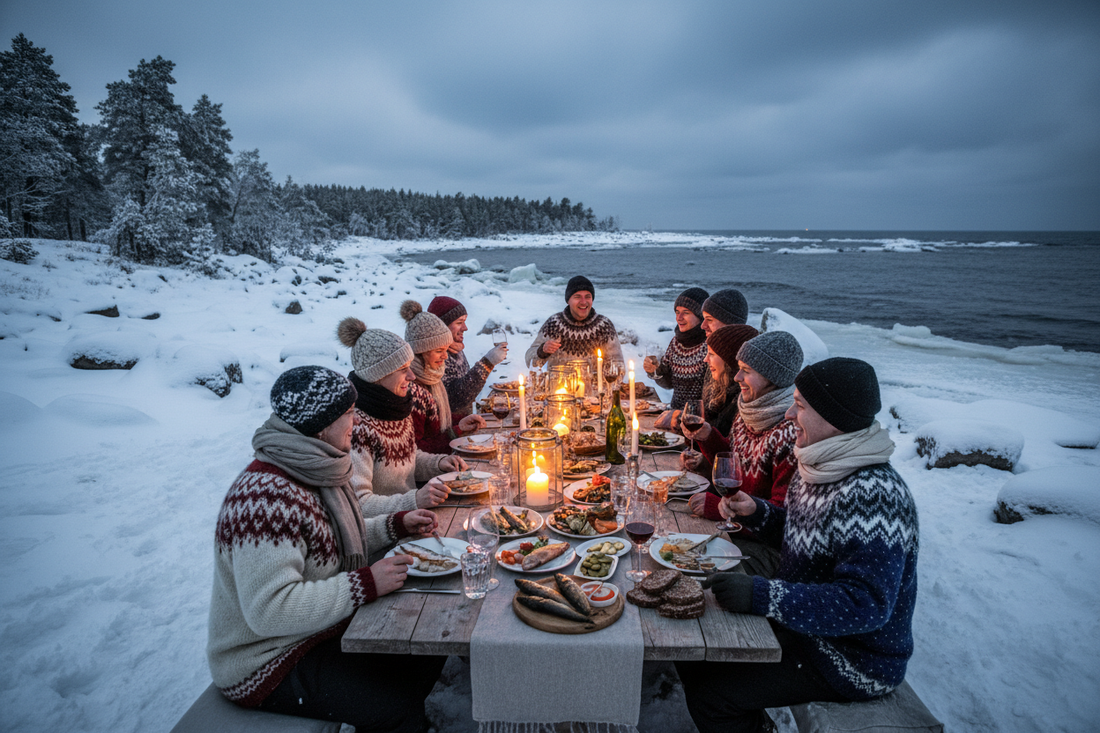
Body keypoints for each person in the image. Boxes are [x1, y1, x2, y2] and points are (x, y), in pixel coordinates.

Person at [675, 357, 919, 733]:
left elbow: (865, 604)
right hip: (806, 627)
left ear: (833, 418)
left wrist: (762, 596)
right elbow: (808, 537)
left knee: (712, 694)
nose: (789, 414)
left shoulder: (874, 495)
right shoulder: (825, 465)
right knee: (690, 644)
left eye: (800, 405)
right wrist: (758, 513)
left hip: (850, 657)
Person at [207, 365, 446, 731]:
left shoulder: (318, 466)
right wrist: (364, 583)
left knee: (427, 646)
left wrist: (394, 523)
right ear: (321, 426)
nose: (356, 422)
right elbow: (270, 608)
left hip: (316, 631)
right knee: (394, 705)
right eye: (349, 414)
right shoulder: (266, 498)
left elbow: (331, 540)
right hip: (268, 659)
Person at [683, 330, 802, 577]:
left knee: (688, 567)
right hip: (738, 529)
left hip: (765, 548)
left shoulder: (791, 433)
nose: (737, 377)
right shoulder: (751, 409)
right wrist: (708, 436)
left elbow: (780, 523)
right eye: (738, 368)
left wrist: (719, 508)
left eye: (746, 370)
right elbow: (737, 463)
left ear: (773, 376)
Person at [337, 317, 465, 506]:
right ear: (379, 375)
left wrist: (438, 463)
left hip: (412, 518)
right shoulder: (356, 426)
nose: (412, 376)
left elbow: (409, 458)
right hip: (392, 526)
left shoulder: (396, 407)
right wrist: (413, 500)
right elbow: (359, 504)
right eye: (404, 369)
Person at [400, 299, 486, 454]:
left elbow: (437, 425)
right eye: (439, 351)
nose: (446, 357)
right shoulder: (413, 390)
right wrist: (455, 433)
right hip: (430, 471)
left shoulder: (432, 377)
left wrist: (459, 425)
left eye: (446, 350)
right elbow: (417, 450)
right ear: (421, 351)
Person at [428, 295, 508, 420]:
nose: (465, 328)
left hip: (465, 422)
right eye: (459, 323)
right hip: (450, 429)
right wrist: (487, 363)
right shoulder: (435, 356)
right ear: (442, 327)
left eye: (464, 322)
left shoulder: (455, 349)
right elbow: (454, 400)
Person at [525, 275, 624, 369]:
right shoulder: (554, 324)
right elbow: (530, 361)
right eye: (577, 297)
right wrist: (542, 351)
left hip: (595, 387)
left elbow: (618, 366)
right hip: (559, 385)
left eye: (588, 296)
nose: (583, 302)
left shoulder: (604, 326)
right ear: (568, 300)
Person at [643, 287, 710, 410]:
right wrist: (655, 370)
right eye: (677, 312)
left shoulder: (709, 346)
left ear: (701, 316)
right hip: (674, 414)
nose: (679, 318)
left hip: (700, 420)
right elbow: (669, 383)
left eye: (686, 312)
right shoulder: (676, 342)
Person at [699, 289, 750, 425]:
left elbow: (724, 430)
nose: (703, 326)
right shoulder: (715, 360)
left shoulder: (745, 377)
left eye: (709, 320)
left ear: (730, 324)